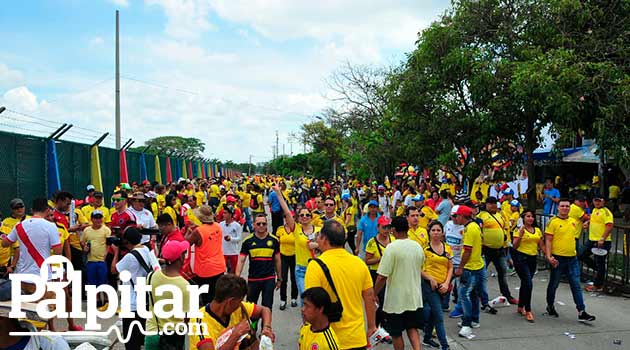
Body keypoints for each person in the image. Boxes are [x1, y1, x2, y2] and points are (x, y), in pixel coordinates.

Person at [305, 220, 377, 350]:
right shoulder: (359, 263)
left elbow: (311, 305)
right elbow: (370, 297)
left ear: (324, 239)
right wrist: (371, 326)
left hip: (327, 339)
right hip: (357, 338)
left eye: (319, 236)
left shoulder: (315, 266)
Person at [1, 198, 62, 331]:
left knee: (23, 315)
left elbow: (5, 243)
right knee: (43, 313)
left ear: (31, 210)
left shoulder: (19, 226)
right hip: (42, 277)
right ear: (47, 210)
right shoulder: (50, 226)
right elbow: (57, 251)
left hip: (21, 277)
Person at [373, 216, 424, 350]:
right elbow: (420, 267)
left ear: (394, 230)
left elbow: (382, 276)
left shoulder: (391, 248)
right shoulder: (417, 246)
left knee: (396, 333)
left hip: (396, 300)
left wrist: (374, 293)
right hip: (414, 297)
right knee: (412, 328)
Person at [188, 274, 274, 350]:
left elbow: (265, 310)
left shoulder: (239, 307)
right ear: (230, 301)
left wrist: (267, 327)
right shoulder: (198, 322)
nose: (240, 304)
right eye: (239, 301)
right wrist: (236, 334)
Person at [544, 199, 596, 322]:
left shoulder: (573, 221)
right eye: (562, 206)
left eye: (567, 206)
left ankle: (581, 311)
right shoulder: (553, 222)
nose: (565, 208)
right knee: (554, 284)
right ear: (558, 208)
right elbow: (548, 240)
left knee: (576, 285)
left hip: (572, 258)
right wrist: (549, 256)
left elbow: (585, 222)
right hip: (557, 259)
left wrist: (586, 224)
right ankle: (550, 305)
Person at [111, 227, 160, 350]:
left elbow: (113, 270)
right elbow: (157, 270)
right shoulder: (148, 250)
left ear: (126, 242)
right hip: (147, 302)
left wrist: (116, 251)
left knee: (131, 342)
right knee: (143, 339)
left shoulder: (130, 257)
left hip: (132, 304)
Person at [144, 240, 190, 350]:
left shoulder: (151, 276)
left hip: (152, 333)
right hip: (173, 337)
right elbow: (187, 317)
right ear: (180, 258)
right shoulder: (184, 286)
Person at [235, 213, 281, 310]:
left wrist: (280, 278)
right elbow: (241, 260)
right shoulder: (247, 241)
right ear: (254, 225)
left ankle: (266, 325)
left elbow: (277, 260)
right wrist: (236, 278)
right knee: (251, 308)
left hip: (269, 278)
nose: (261, 226)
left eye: (263, 224)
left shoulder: (274, 240)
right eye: (258, 223)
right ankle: (253, 325)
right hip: (253, 279)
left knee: (267, 307)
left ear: (266, 225)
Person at [477, 196, 517, 305]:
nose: (493, 205)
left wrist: (507, 250)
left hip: (500, 250)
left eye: (494, 203)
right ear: (486, 205)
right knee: (481, 275)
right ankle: (480, 295)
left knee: (503, 274)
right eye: (490, 203)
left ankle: (507, 295)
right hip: (485, 250)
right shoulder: (481, 216)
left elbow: (505, 232)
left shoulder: (500, 216)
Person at [453, 205, 485, 338]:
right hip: (477, 265)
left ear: (462, 216)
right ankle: (474, 319)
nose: (455, 218)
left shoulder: (469, 229)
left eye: (457, 216)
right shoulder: (474, 226)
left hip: (470, 267)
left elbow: (467, 250)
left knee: (464, 294)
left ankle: (467, 324)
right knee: (472, 294)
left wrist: (460, 267)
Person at [421, 221, 452, 350]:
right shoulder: (424, 249)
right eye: (433, 230)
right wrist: (431, 279)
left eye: (438, 230)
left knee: (434, 314)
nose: (436, 233)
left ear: (442, 232)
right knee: (439, 316)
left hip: (443, 286)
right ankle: (445, 345)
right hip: (429, 286)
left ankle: (427, 338)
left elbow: (450, 267)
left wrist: (446, 283)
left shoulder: (447, 248)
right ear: (429, 232)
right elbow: (418, 269)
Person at [186, 205, 226, 305]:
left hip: (205, 269)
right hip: (219, 266)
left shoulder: (198, 231)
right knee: (217, 297)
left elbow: (186, 243)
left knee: (206, 300)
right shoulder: (218, 226)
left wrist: (188, 231)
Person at [512, 210, 543, 322]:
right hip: (521, 258)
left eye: (532, 217)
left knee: (525, 283)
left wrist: (549, 257)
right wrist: (520, 235)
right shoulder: (519, 229)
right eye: (528, 216)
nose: (530, 218)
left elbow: (541, 244)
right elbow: (514, 246)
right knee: (528, 283)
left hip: (532, 258)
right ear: (523, 218)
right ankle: (528, 310)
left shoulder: (537, 230)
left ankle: (520, 306)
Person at [364, 215, 395, 327]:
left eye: (389, 227)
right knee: (378, 302)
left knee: (389, 301)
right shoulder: (372, 243)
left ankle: (386, 326)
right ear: (378, 227)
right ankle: (376, 328)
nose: (387, 230)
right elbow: (367, 261)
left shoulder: (393, 239)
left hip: (390, 274)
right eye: (384, 227)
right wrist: (382, 258)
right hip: (376, 273)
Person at [580, 195, 614, 292]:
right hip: (592, 240)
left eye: (599, 201)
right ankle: (600, 272)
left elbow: (609, 225)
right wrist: (588, 222)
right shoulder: (594, 210)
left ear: (603, 202)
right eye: (595, 200)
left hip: (602, 241)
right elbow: (594, 219)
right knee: (581, 255)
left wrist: (602, 238)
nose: (597, 202)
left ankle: (597, 285)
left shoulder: (606, 212)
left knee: (600, 262)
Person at [81, 210, 112, 309]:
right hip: (91, 260)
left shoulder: (106, 230)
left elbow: (108, 244)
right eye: (96, 218)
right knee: (93, 282)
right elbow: (82, 242)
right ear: (92, 219)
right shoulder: (87, 230)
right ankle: (98, 301)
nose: (98, 220)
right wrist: (85, 247)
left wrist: (105, 256)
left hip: (101, 260)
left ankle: (106, 300)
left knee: (104, 281)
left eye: (100, 217)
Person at [276, 210, 298, 310]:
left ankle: (294, 298)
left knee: (294, 278)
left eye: (291, 218)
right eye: (286, 218)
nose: (288, 220)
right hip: (283, 256)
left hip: (294, 256)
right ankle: (283, 300)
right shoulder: (280, 229)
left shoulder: (297, 229)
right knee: (283, 278)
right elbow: (277, 243)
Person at [0, 198, 27, 275]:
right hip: (12, 256)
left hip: (29, 255)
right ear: (12, 209)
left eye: (21, 206)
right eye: (16, 208)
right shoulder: (6, 222)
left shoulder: (30, 219)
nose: (19, 209)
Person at [220, 205, 242, 274]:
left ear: (230, 214)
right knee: (222, 272)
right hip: (223, 252)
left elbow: (239, 238)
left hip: (233, 252)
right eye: (223, 213)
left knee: (233, 272)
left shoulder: (237, 225)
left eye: (225, 213)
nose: (223, 214)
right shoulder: (220, 224)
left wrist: (231, 239)